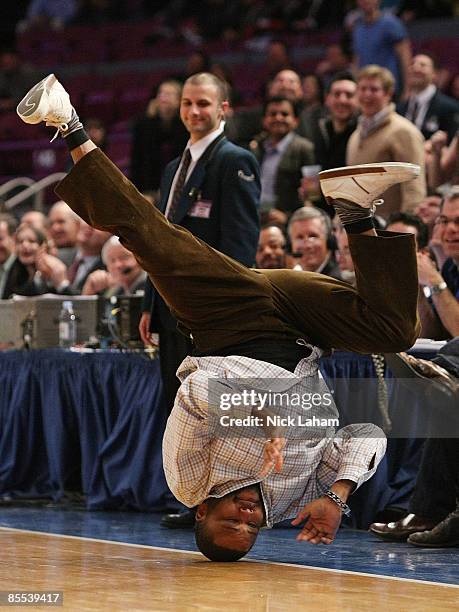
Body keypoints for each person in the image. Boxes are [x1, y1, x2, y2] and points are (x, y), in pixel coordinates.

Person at [17, 74, 421, 561]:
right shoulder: (288, 501)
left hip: (228, 321)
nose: (247, 515)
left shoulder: (187, 480)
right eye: (249, 527)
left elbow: (197, 396)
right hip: (301, 329)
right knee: (397, 330)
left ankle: (69, 123)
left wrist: (265, 416)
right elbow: (364, 437)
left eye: (230, 518)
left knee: (149, 238)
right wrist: (338, 496)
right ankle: (354, 207)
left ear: (201, 512)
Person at [139, 72, 260, 423]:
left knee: (210, 413)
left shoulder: (234, 160)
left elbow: (240, 247)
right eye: (187, 103)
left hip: (209, 310)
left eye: (203, 103)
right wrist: (150, 304)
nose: (194, 111)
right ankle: (181, 481)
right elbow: (159, 240)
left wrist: (226, 309)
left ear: (224, 108)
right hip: (169, 307)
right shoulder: (173, 168)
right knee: (177, 412)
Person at [347, 65, 426, 218]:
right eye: (362, 89)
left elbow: (414, 189)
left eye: (374, 89)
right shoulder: (355, 136)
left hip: (392, 232)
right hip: (363, 230)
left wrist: (406, 229)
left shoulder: (403, 131)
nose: (367, 95)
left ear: (388, 93)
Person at [249, 96, 314, 225]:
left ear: (295, 120)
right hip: (256, 219)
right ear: (264, 120)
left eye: (284, 114)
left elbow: (313, 195)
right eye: (273, 114)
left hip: (288, 223)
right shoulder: (256, 147)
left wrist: (288, 218)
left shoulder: (305, 148)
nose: (278, 118)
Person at [352, 0, 411, 98]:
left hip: (388, 89)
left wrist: (408, 89)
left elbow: (405, 57)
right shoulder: (358, 28)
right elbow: (357, 60)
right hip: (365, 91)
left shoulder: (391, 23)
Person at [398, 54, 459, 143]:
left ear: (434, 74)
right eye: (412, 64)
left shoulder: (450, 108)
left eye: (422, 65)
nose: (416, 68)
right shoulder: (399, 109)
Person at [287, 207, 342, 280]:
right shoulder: (290, 278)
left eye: (313, 236)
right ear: (291, 244)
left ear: (328, 240)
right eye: (300, 237)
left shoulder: (340, 279)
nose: (307, 246)